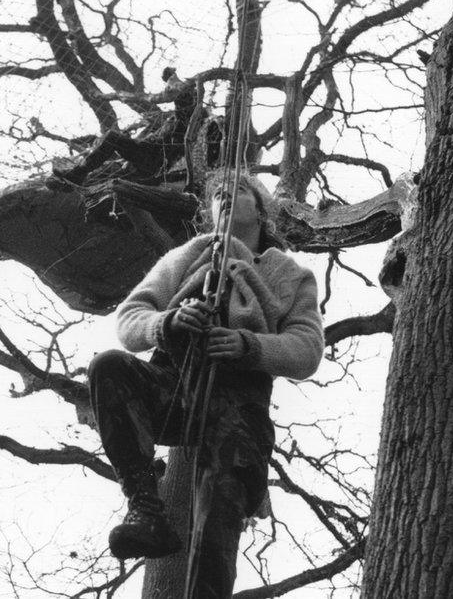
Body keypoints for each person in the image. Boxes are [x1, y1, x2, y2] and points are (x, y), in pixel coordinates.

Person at [88, 176, 323, 597]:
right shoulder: (188, 255)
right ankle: (146, 508)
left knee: (219, 514)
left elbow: (306, 349)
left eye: (239, 191)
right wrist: (166, 323)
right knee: (110, 367)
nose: (224, 196)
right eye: (217, 194)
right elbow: (129, 318)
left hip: (240, 401)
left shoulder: (290, 275)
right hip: (172, 382)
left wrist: (249, 345)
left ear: (261, 209)